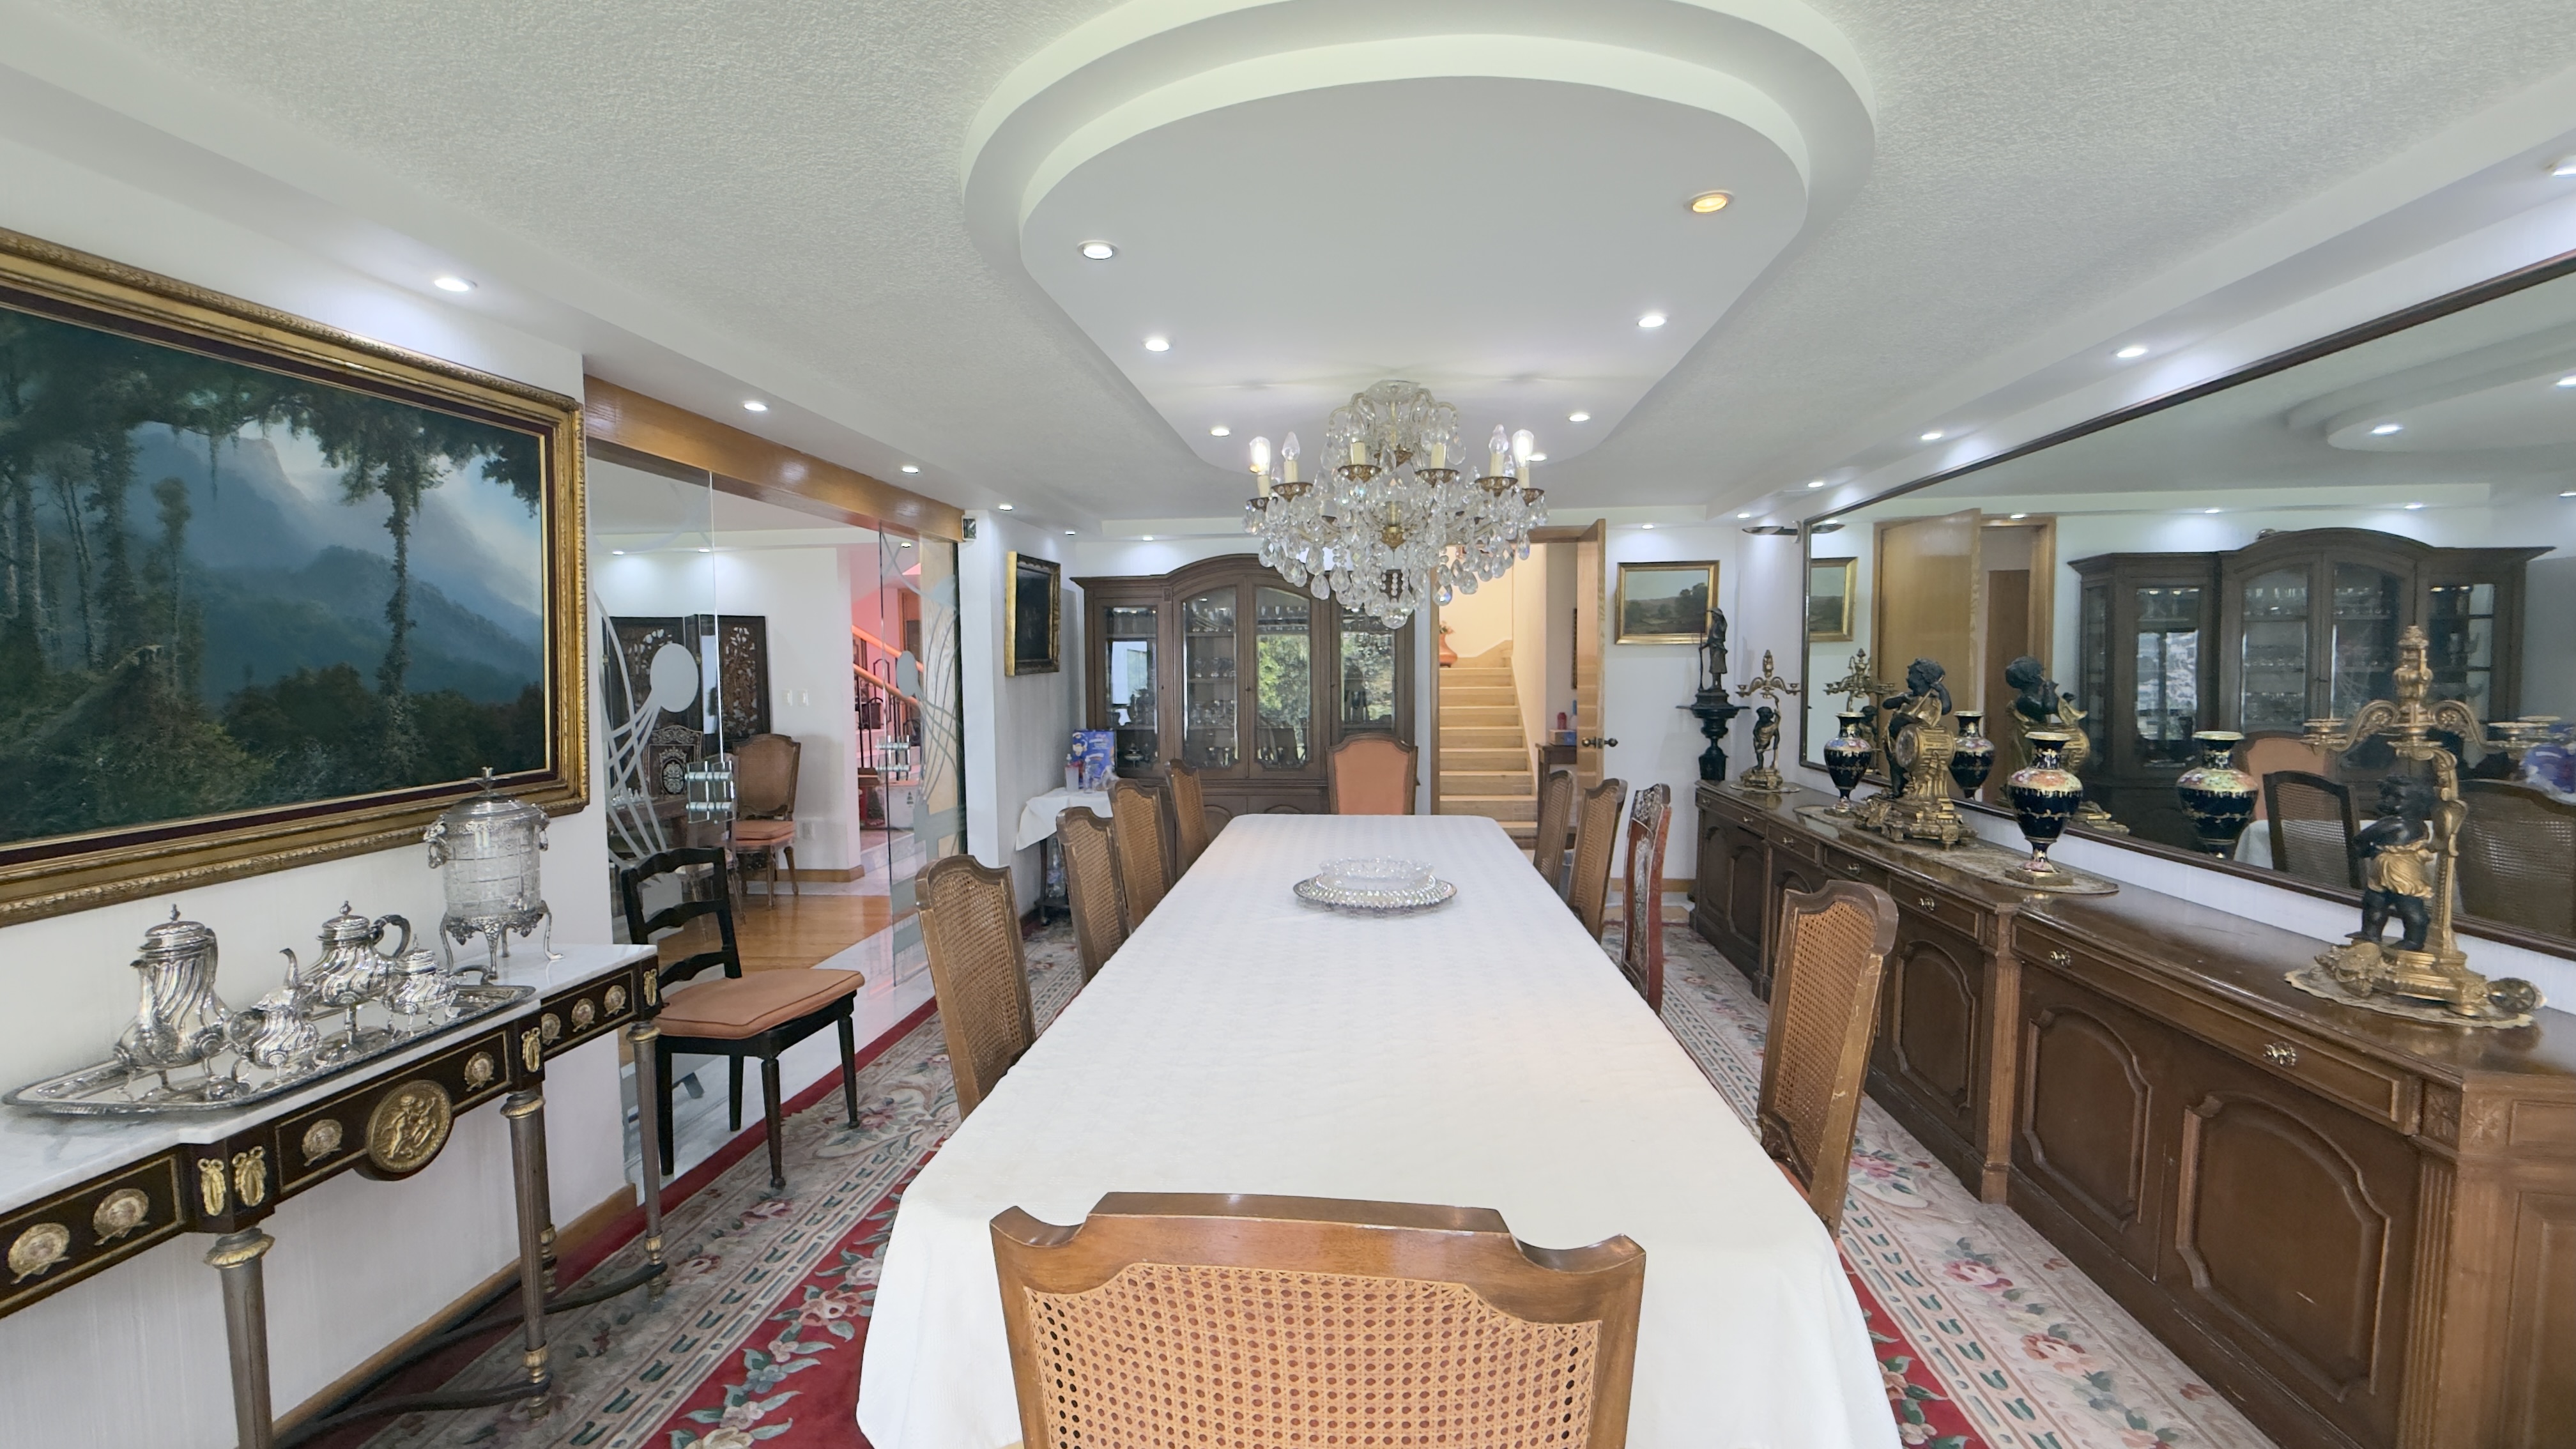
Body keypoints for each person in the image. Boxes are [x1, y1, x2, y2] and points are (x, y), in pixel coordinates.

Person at [2351, 773, 2438, 956]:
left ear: (2418, 803)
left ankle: (2413, 940)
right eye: (2386, 795)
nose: (2388, 801)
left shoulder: (2395, 824)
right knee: (2374, 902)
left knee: (2407, 905)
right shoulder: (2420, 825)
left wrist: (2367, 850)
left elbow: (2361, 839)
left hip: (2401, 871)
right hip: (2384, 868)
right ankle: (2371, 934)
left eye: (2397, 797)